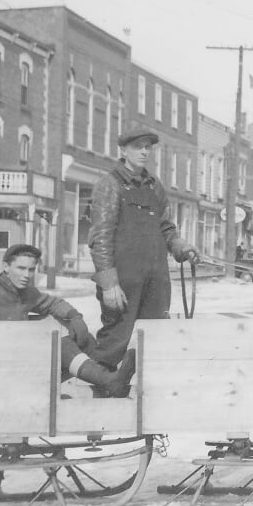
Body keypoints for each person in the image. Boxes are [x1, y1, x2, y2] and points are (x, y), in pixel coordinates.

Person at [0, 244, 134, 398]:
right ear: (5, 267)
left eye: (31, 270)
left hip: (24, 359)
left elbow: (51, 303)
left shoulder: (26, 292)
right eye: (21, 268)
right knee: (54, 336)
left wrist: (75, 317)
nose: (26, 275)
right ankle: (106, 380)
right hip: (2, 368)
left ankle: (105, 379)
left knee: (68, 329)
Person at [88, 128, 198, 371]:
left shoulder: (154, 185)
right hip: (123, 284)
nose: (144, 151)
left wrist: (181, 247)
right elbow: (100, 237)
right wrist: (108, 283)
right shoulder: (110, 185)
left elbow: (166, 227)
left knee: (154, 343)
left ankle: (141, 400)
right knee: (115, 342)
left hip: (156, 281)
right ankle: (101, 397)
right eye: (138, 146)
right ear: (124, 150)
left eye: (148, 146)